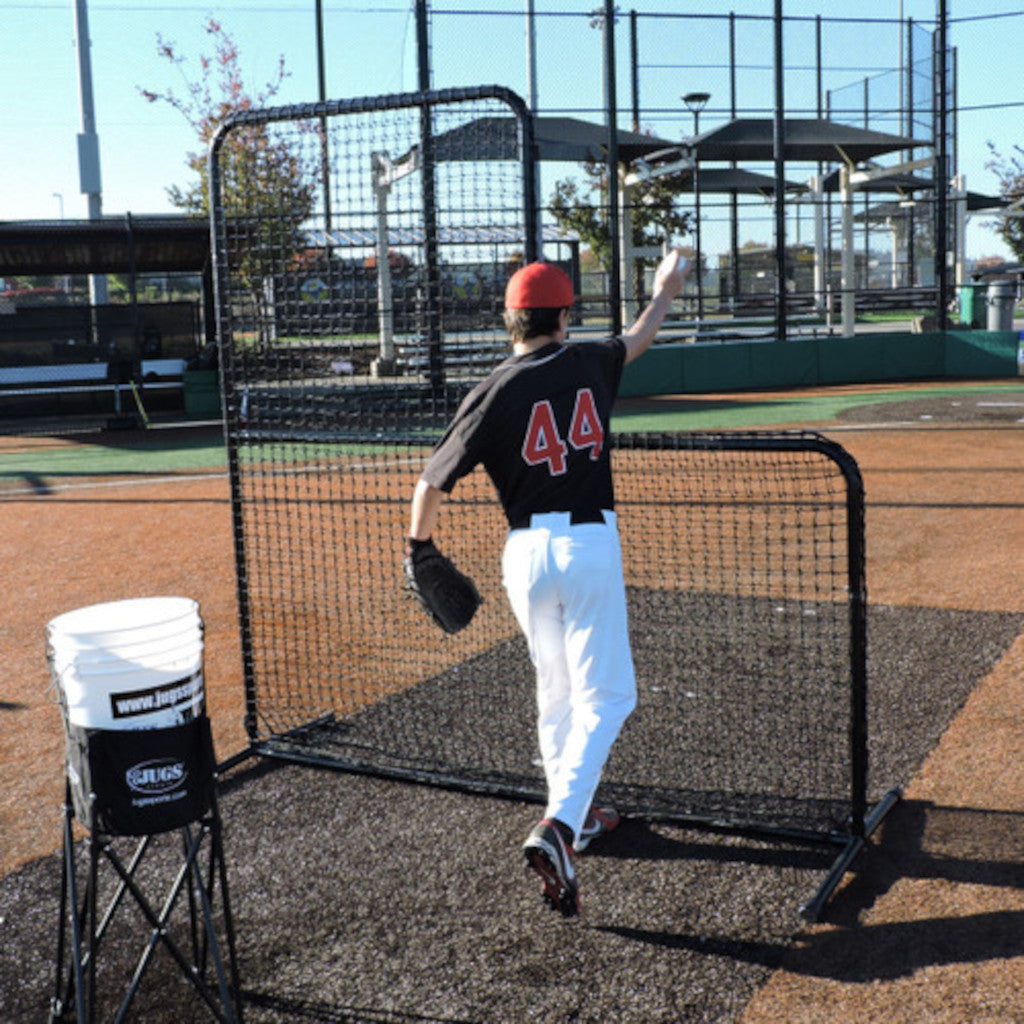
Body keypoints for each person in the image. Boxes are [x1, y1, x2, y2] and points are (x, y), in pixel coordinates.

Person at [406, 249, 691, 916]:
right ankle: (560, 826)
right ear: (564, 316)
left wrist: (418, 549)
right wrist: (665, 289)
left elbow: (431, 481)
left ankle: (577, 813)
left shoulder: (492, 388)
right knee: (610, 694)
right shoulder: (589, 361)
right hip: (588, 545)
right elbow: (640, 336)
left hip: (526, 556)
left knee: (556, 691)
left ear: (509, 320)